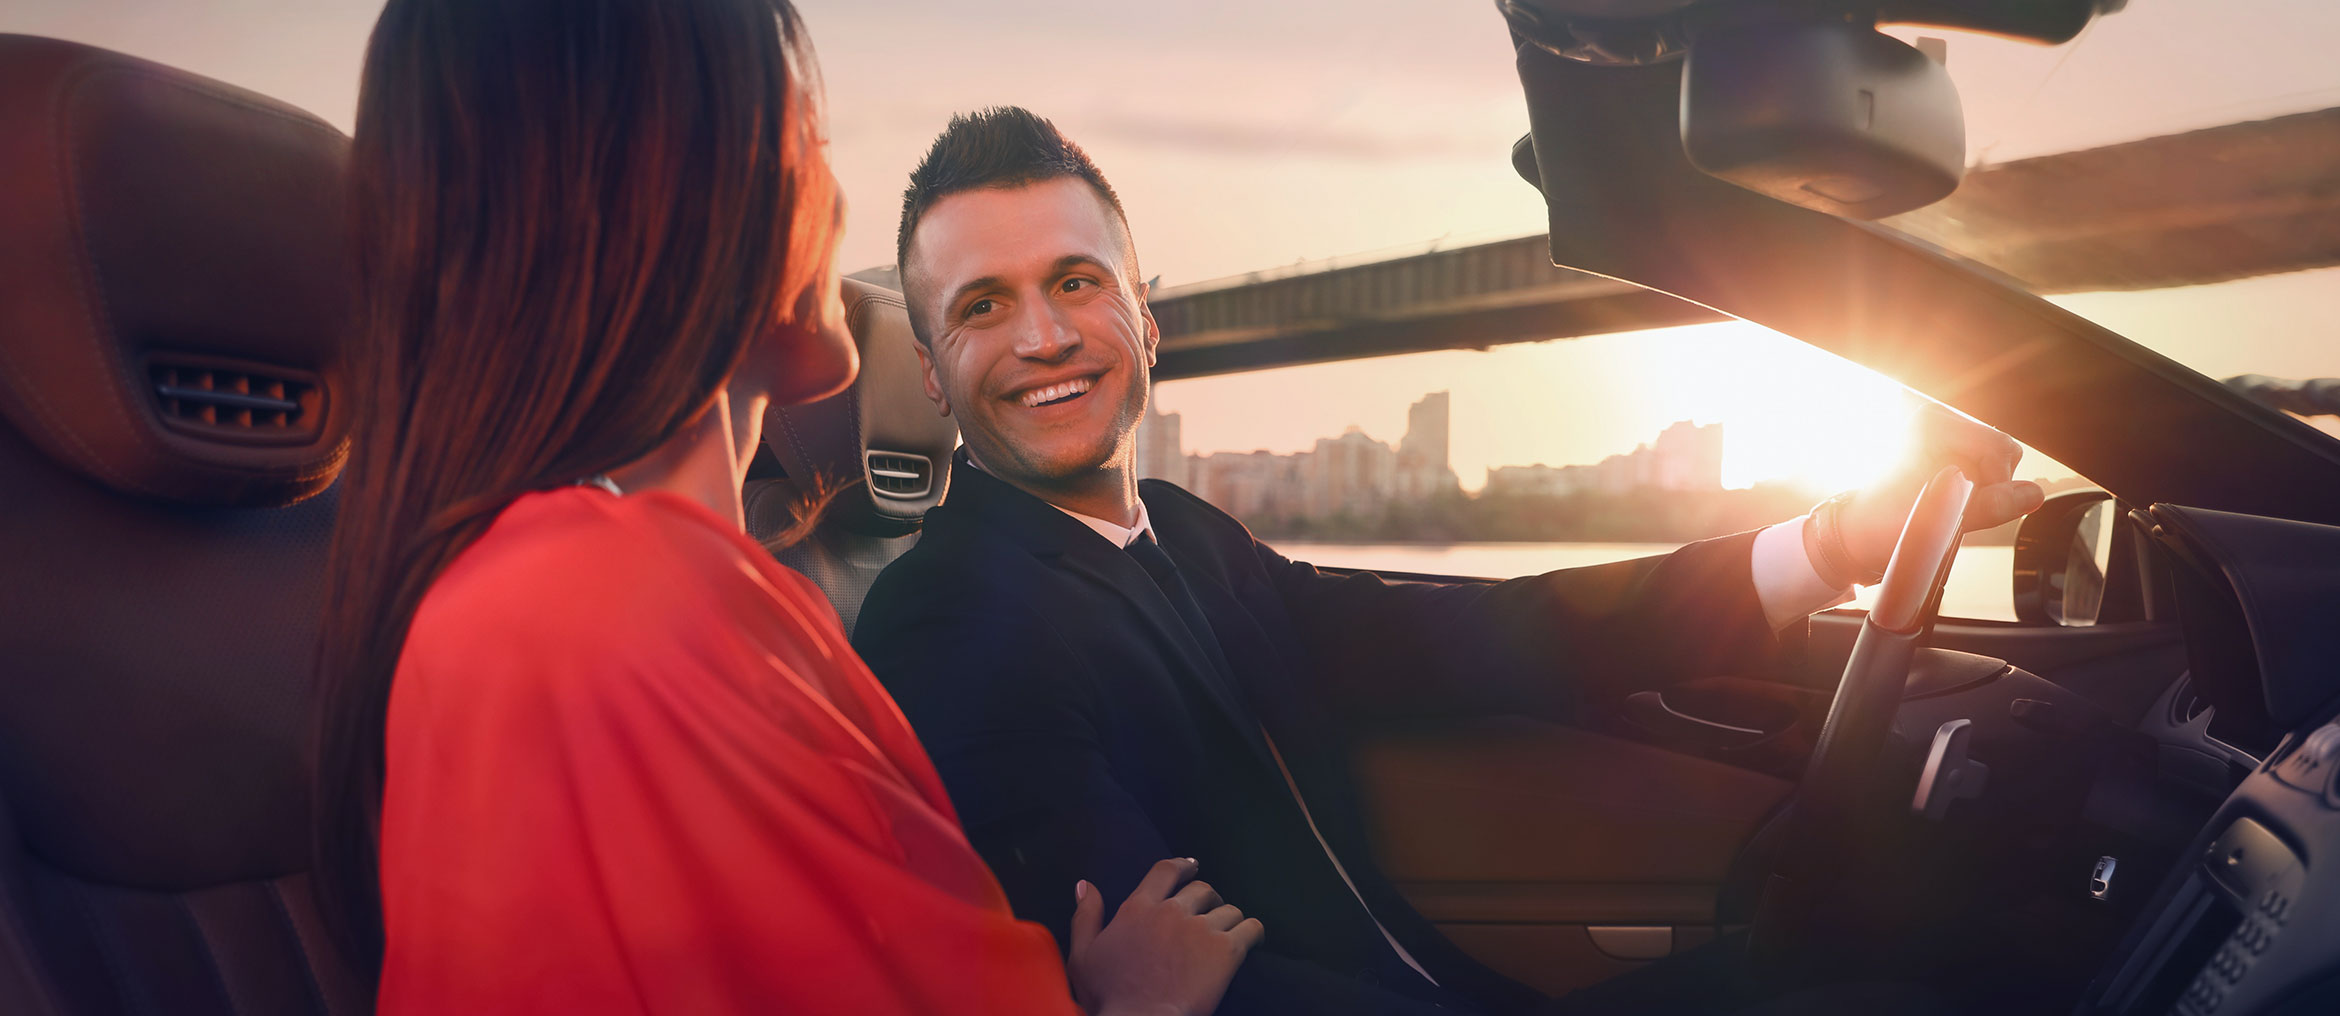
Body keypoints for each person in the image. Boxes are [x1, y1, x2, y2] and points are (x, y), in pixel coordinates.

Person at [849, 106, 2044, 1014]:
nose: (1045, 336)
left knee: (1904, 945)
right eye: (982, 307)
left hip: (1436, 979)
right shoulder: (947, 617)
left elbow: (1488, 635)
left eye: (1073, 282)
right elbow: (1174, 979)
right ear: (933, 363)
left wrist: (1830, 543)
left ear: (1145, 314)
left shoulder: (1190, 536)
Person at [309, 5, 1258, 1014]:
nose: (839, 205)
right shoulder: (599, 623)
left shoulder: (640, 596)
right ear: (688, 198)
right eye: (810, 145)